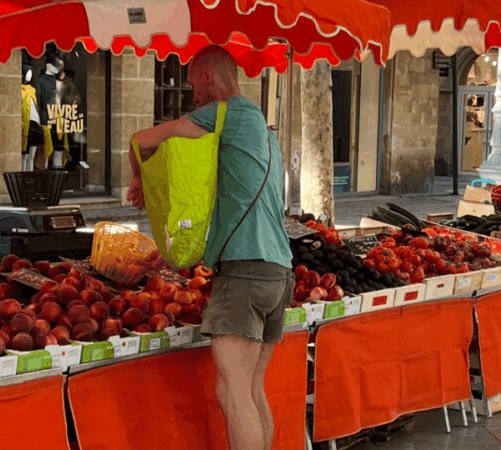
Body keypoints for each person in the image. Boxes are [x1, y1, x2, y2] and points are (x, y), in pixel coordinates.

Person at [127, 46, 293, 450]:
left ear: (206, 78)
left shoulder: (224, 114)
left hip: (247, 271)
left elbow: (141, 139)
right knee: (250, 392)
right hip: (279, 270)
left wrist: (138, 182)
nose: (193, 97)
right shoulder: (256, 123)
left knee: (236, 398)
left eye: (193, 86)